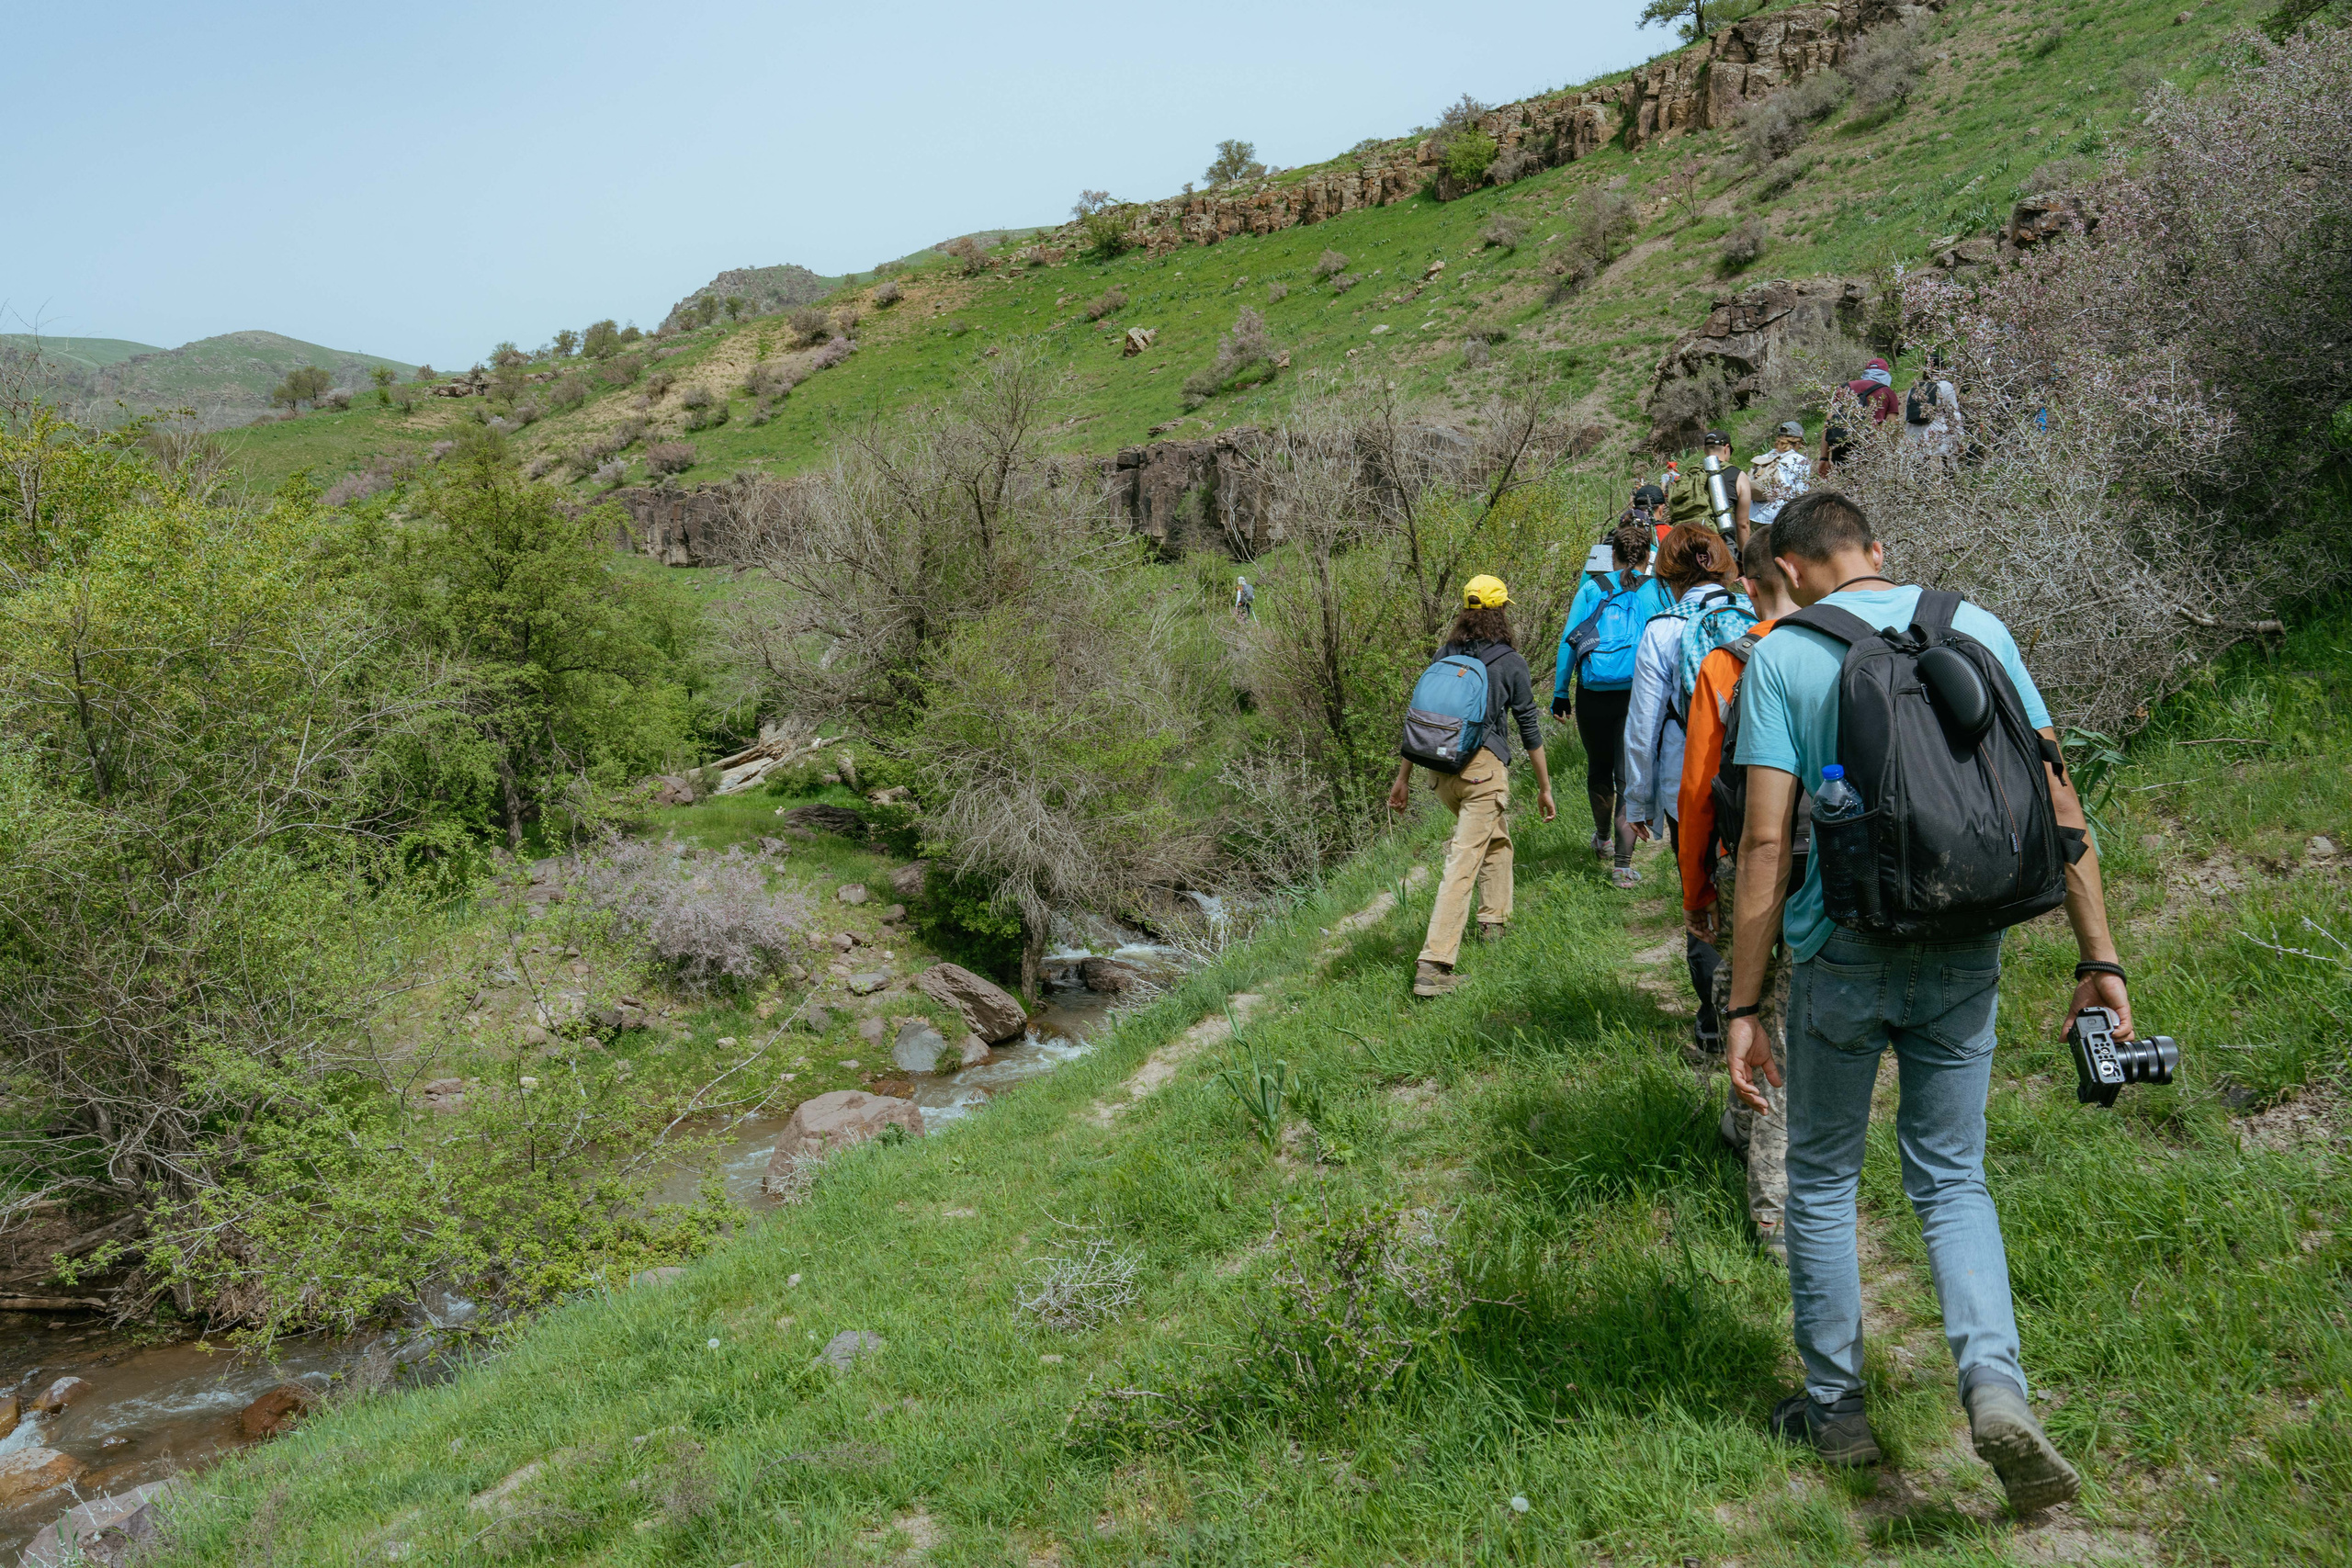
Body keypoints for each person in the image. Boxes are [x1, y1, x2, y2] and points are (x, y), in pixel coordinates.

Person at [1723, 491, 2127, 1511]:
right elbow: (2058, 798)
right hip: (1965, 942)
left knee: (1820, 1179)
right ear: (1875, 549)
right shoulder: (1975, 623)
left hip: (1842, 952)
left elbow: (1766, 841)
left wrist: (1742, 1004)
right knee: (1951, 1179)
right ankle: (1995, 1388)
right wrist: (2100, 960)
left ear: (1796, 570)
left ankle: (1839, 1413)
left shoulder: (1781, 653)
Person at [1676, 525, 1800, 1258]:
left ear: (1746, 586)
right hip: (1831, 858)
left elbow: (1697, 790)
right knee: (1781, 1004)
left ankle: (1772, 1212)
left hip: (1745, 855)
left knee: (1757, 1001)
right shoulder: (1843, 647)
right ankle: (1742, 1117)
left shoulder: (1727, 664)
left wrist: (1697, 888)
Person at [1388, 575, 1556, 998]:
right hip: (1482, 773)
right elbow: (1529, 728)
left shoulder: (1446, 653)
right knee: (1463, 863)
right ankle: (1433, 965)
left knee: (1496, 842)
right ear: (1502, 612)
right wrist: (1544, 787)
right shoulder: (1510, 661)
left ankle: (1493, 924)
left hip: (1441, 772)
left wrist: (1403, 778)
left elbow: (1425, 716)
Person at [1624, 526, 1752, 1048]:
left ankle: (1711, 1017)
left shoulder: (1662, 629)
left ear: (1669, 577)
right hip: (1761, 778)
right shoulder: (1755, 614)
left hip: (1691, 788)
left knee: (1702, 893)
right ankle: (1760, 1001)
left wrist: (1638, 800)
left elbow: (1643, 726)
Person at [1554, 522, 1669, 881]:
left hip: (1593, 693)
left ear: (1613, 555)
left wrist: (1560, 692)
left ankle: (1602, 839)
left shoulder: (1592, 588)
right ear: (1648, 556)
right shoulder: (1657, 591)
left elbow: (1568, 641)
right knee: (1628, 775)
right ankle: (1623, 867)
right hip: (1639, 694)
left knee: (1599, 770)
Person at [1663, 431, 1753, 548]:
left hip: (1684, 541)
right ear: (1726, 448)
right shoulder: (1738, 476)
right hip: (1720, 543)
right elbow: (1743, 524)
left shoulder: (1690, 474)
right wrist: (1743, 557)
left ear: (1705, 450)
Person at [1819, 358, 1900, 474]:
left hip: (1842, 448)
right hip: (1871, 450)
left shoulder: (1844, 388)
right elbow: (1891, 427)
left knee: (1848, 488)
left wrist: (1824, 458)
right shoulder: (1888, 392)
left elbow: (1828, 423)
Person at [1749, 421, 1813, 527]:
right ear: (1797, 442)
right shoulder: (1800, 461)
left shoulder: (1765, 457)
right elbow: (1801, 493)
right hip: (1780, 518)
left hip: (1754, 515)